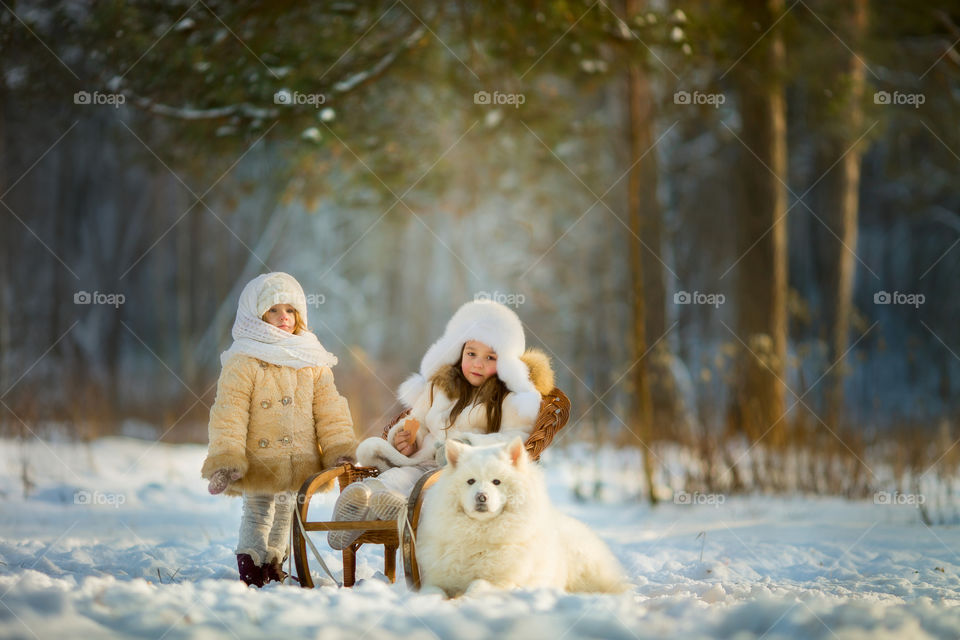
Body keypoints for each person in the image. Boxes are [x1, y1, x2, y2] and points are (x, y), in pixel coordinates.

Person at [329, 299, 554, 550]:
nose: (478, 363)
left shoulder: (507, 399)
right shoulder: (440, 386)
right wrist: (407, 439)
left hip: (460, 471)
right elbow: (418, 420)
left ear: (505, 364)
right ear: (459, 353)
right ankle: (360, 505)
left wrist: (469, 446)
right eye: (471, 354)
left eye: (490, 357)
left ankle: (400, 512)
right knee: (394, 478)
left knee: (432, 495)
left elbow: (516, 437)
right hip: (421, 461)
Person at [202, 272, 357, 586]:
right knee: (258, 508)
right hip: (261, 455)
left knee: (287, 508)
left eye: (290, 310)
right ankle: (251, 562)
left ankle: (274, 560)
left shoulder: (311, 357)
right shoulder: (244, 358)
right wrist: (226, 456)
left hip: (298, 454)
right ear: (255, 314)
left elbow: (330, 410)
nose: (283, 317)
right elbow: (229, 411)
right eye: (273, 310)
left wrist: (339, 450)